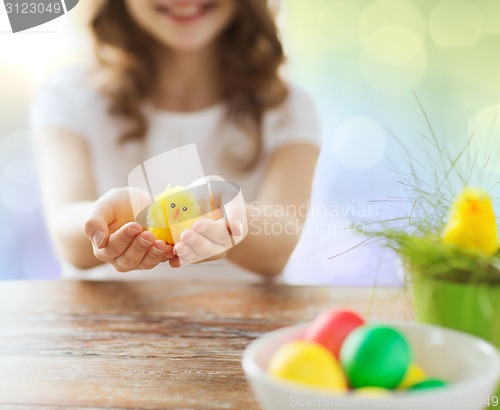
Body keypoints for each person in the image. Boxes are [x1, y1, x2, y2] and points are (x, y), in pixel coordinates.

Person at [31, 0, 321, 280]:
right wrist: (109, 221)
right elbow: (66, 234)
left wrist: (229, 218)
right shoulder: (68, 97)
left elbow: (280, 244)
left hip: (243, 323)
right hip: (103, 320)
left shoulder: (288, 108)